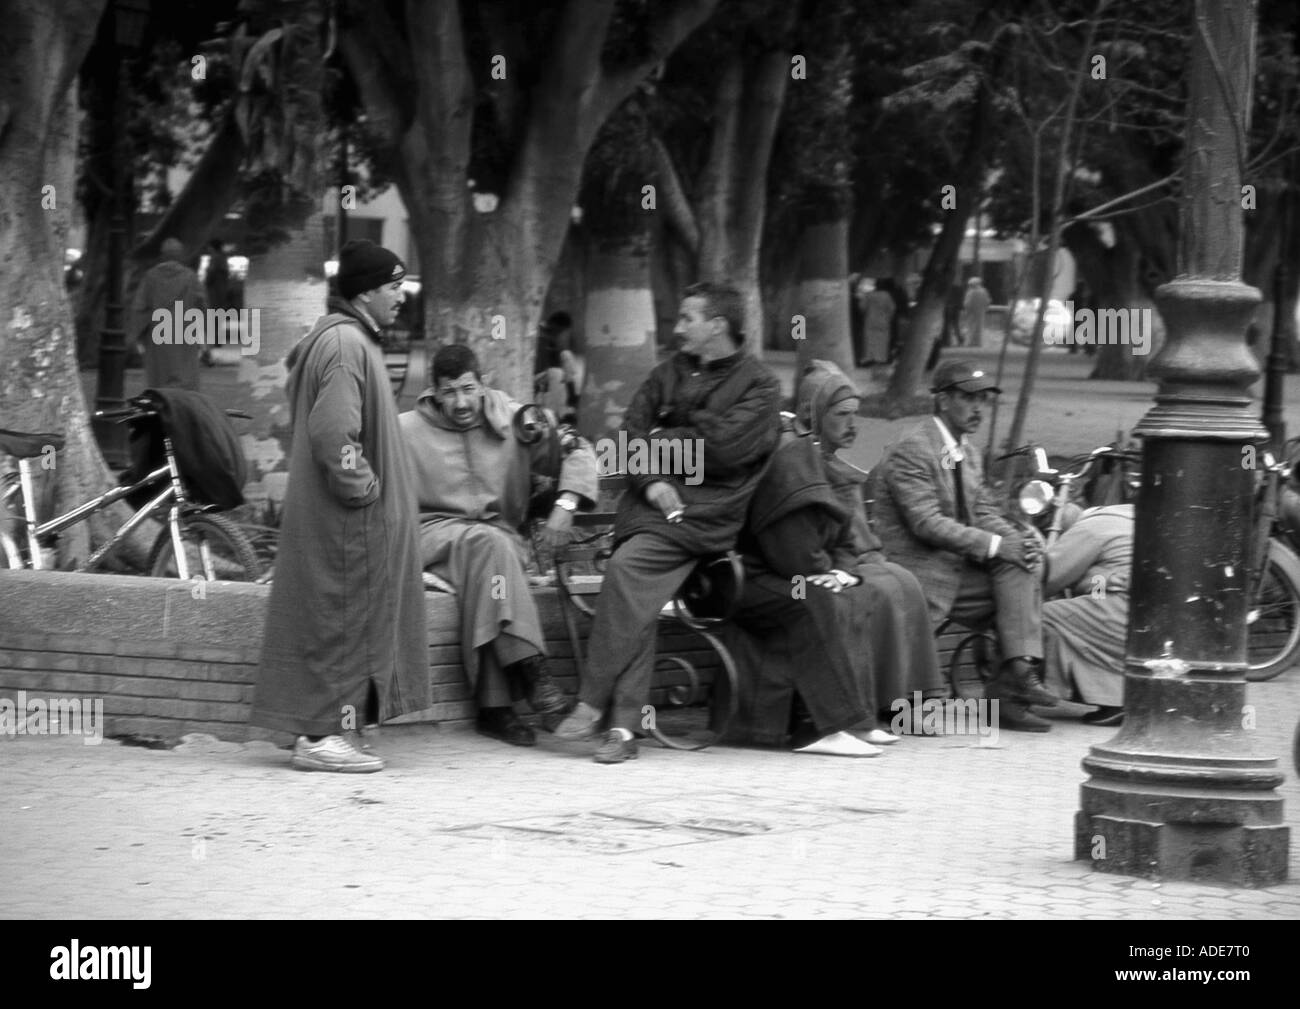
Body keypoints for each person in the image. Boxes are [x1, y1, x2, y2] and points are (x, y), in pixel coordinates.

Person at [553, 281, 781, 763]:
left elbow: (724, 451)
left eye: (686, 319)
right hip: (652, 509)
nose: (676, 328)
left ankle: (594, 700)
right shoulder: (666, 373)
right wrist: (654, 479)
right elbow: (626, 438)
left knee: (626, 573)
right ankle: (622, 731)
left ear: (717, 326)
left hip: (708, 516)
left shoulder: (761, 384)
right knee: (633, 586)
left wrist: (667, 430)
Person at [249, 239, 428, 772]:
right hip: (347, 520)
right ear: (367, 291)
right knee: (341, 622)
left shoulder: (347, 340)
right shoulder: (348, 345)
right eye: (394, 287)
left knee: (340, 620)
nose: (401, 298)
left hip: (344, 520)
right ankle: (322, 736)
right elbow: (333, 433)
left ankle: (329, 730)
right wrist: (365, 492)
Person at [725, 360, 944, 754]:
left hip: (804, 569)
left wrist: (841, 571)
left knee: (882, 585)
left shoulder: (808, 458)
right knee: (833, 598)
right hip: (751, 576)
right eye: (842, 415)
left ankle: (875, 713)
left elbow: (842, 534)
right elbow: (792, 548)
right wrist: (828, 573)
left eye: (853, 414)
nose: (852, 425)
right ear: (813, 413)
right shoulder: (790, 462)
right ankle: (836, 724)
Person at [398, 343, 597, 747]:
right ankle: (537, 676)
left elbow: (576, 447)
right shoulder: (403, 431)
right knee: (488, 547)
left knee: (490, 559)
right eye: (449, 392)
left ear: (483, 382)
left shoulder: (517, 419)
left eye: (468, 388)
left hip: (496, 542)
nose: (461, 402)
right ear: (432, 392)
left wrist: (566, 501)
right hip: (431, 534)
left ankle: (495, 710)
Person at [866, 360, 1058, 732]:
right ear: (942, 400)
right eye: (969, 399)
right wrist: (996, 544)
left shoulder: (966, 451)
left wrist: (1017, 541)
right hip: (913, 573)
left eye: (983, 400)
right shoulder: (913, 447)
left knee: (1021, 565)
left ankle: (1012, 683)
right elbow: (927, 523)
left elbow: (982, 508)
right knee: (1009, 562)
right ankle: (1018, 673)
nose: (978, 409)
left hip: (953, 573)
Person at [1041, 503, 1134, 726]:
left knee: (1040, 615)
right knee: (1076, 617)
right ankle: (1114, 700)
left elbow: (1051, 576)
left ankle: (1046, 689)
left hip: (1121, 612)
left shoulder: (1089, 528)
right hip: (1145, 614)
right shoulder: (1128, 515)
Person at [129, 237, 207, 391]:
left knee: (160, 380)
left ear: (162, 255)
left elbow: (140, 308)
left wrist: (138, 336)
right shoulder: (190, 277)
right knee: (185, 380)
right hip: (185, 335)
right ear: (181, 255)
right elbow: (202, 306)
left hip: (157, 336)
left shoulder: (151, 277)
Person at [533, 310, 580, 421]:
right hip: (540, 380)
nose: (560, 334)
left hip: (543, 385)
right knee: (557, 374)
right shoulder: (542, 336)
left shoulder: (546, 335)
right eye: (561, 331)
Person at [860, 280, 895, 367]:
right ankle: (880, 359)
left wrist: (866, 313)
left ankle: (870, 358)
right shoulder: (887, 295)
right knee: (882, 340)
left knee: (870, 340)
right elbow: (892, 308)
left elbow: (862, 307)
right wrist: (888, 317)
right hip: (883, 321)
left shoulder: (869, 295)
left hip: (870, 321)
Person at [962, 277, 991, 349]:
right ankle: (978, 342)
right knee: (979, 327)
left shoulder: (970, 292)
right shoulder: (984, 291)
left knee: (971, 327)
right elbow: (987, 301)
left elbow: (967, 303)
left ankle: (970, 342)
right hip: (980, 312)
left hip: (971, 312)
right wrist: (985, 308)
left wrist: (966, 310)